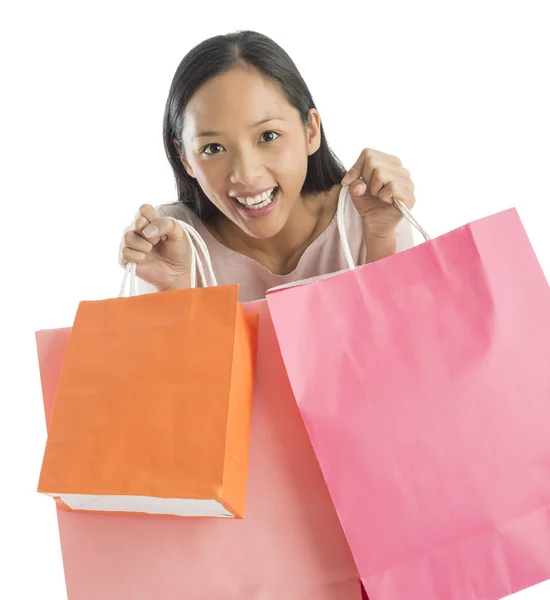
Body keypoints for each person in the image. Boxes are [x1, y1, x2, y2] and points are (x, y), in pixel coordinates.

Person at [119, 29, 418, 598]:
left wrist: (382, 236)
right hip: (242, 552)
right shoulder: (175, 245)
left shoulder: (365, 214)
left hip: (378, 527)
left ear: (310, 131)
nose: (245, 175)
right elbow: (169, 434)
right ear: (184, 157)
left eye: (268, 136)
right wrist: (176, 289)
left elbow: (414, 389)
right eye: (213, 148)